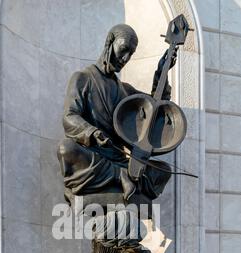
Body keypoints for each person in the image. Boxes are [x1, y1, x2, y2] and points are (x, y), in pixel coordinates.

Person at [58, 24, 177, 202]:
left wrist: (163, 72)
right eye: (123, 50)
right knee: (66, 149)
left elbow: (156, 106)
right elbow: (70, 116)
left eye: (131, 53)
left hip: (119, 158)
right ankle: (120, 176)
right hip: (94, 154)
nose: (125, 58)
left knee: (164, 170)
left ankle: (122, 175)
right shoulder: (82, 78)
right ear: (110, 42)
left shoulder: (125, 90)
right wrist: (91, 132)